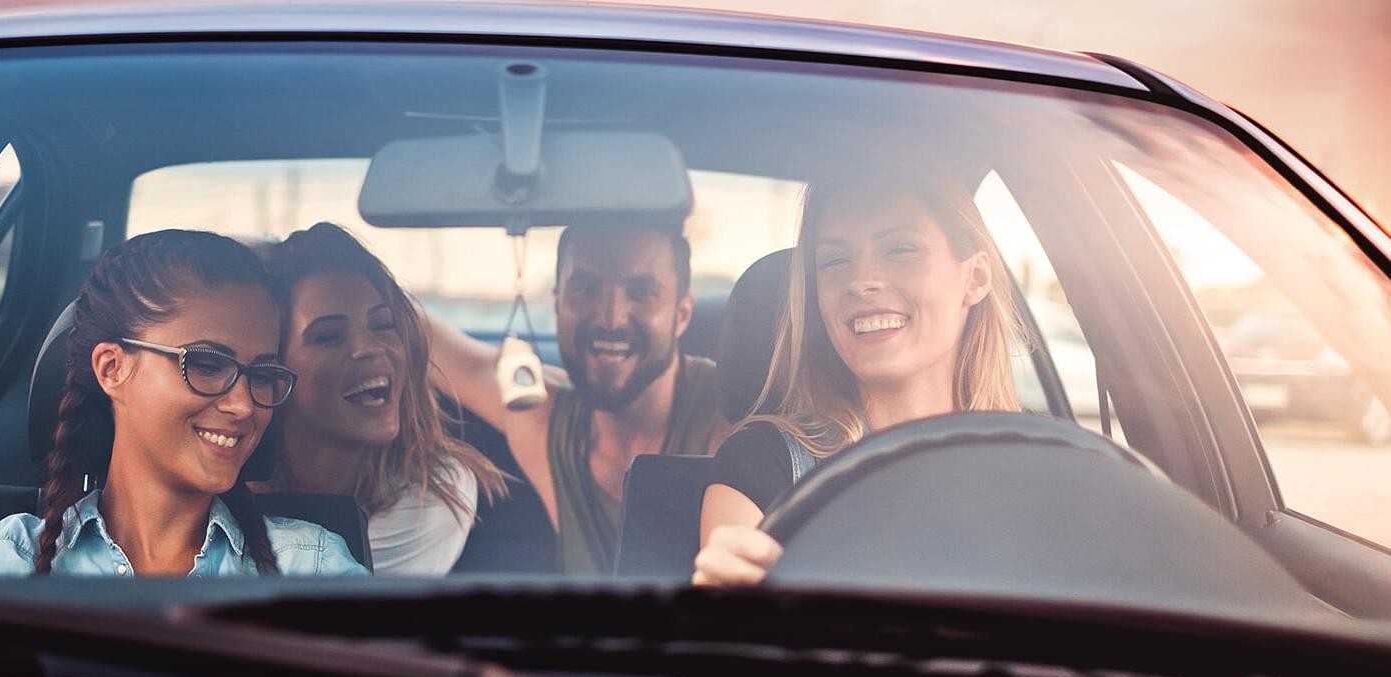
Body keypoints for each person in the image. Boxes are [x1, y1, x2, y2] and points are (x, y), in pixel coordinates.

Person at [0, 230, 368, 578]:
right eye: (207, 364)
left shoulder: (312, 568)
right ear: (112, 369)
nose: (244, 406)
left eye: (262, 376)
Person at [692, 174, 1026, 586]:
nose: (861, 282)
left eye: (900, 249)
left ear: (974, 278)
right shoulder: (763, 465)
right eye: (834, 261)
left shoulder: (1042, 462)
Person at [429, 222, 729, 574]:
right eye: (586, 289)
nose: (611, 319)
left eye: (641, 292)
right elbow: (420, 334)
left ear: (681, 315)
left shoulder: (733, 418)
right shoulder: (541, 418)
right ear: (557, 302)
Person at [254, 223, 506, 576]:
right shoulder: (218, 484)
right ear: (272, 370)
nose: (369, 348)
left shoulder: (431, 496)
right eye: (329, 336)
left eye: (383, 324)